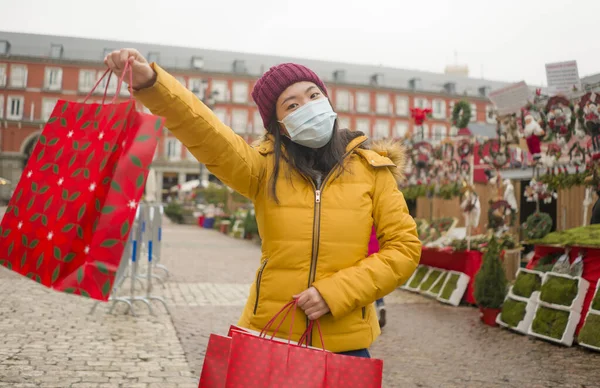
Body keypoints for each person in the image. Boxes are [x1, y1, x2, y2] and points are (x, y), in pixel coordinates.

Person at [104, 49, 421, 358]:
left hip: (346, 344)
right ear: (279, 125)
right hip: (270, 335)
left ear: (327, 100)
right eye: (292, 104)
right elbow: (208, 134)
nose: (308, 106)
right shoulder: (262, 168)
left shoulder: (372, 170)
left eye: (313, 96)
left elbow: (404, 247)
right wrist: (152, 85)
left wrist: (336, 293)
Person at [368, 226, 386, 328]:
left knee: (366, 287)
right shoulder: (377, 223)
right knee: (376, 285)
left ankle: (369, 315)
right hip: (376, 254)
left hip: (366, 255)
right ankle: (381, 306)